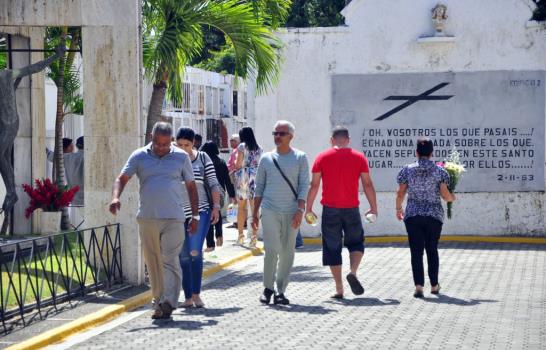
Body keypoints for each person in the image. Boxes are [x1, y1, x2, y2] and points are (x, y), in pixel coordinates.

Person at [109, 122, 199, 319]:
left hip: (174, 218)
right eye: (157, 143)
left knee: (170, 259)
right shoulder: (139, 155)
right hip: (148, 218)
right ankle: (159, 301)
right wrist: (116, 197)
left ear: (171, 141)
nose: (160, 148)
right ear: (151, 136)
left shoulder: (181, 157)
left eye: (165, 144)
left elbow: (192, 187)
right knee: (153, 262)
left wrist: (195, 215)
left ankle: (169, 301)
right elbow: (122, 178)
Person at [306, 126, 378, 299]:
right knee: (356, 243)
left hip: (330, 210)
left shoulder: (322, 157)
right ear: (348, 139)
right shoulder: (359, 157)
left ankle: (339, 289)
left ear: (332, 140)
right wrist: (373, 207)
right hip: (352, 208)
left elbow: (314, 185)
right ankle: (353, 272)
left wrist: (308, 208)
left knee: (332, 248)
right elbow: (367, 184)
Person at [252, 121, 309, 305]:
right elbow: (258, 187)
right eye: (275, 133)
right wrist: (254, 213)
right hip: (269, 210)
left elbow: (303, 186)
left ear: (290, 136)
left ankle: (280, 291)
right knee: (271, 249)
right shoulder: (266, 158)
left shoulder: (300, 157)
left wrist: (300, 210)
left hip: (292, 211)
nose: (277, 136)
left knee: (287, 252)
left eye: (281, 133)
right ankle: (267, 288)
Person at [396, 138, 455, 298]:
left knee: (416, 252)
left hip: (413, 215)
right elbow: (444, 194)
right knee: (432, 250)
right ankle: (434, 285)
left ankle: (419, 287)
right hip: (433, 216)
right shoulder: (440, 171)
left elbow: (401, 192)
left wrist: (398, 208)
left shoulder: (407, 170)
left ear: (416, 152)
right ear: (431, 153)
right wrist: (451, 198)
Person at [175, 128, 222, 308]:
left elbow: (213, 183)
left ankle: (196, 294)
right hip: (178, 214)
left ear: (193, 142)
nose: (183, 148)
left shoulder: (203, 158)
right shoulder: (172, 159)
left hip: (200, 211)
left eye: (186, 145)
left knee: (195, 251)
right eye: (179, 145)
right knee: (184, 256)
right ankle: (187, 296)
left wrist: (216, 207)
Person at [201, 141, 236, 251]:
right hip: (220, 193)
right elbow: (227, 180)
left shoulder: (203, 162)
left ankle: (210, 244)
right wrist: (231, 195)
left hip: (206, 192)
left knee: (208, 217)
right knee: (217, 213)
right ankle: (219, 235)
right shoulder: (221, 162)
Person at [235, 127, 263, 247]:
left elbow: (238, 164)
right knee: (254, 209)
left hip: (244, 177)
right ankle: (254, 237)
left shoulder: (242, 146)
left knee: (242, 208)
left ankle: (241, 236)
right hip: (255, 178)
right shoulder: (259, 148)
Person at [226, 134, 240, 228]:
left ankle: (236, 221)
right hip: (237, 178)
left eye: (233, 140)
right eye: (231, 140)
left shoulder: (237, 151)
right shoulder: (236, 151)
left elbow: (231, 165)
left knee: (235, 200)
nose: (231, 142)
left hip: (235, 178)